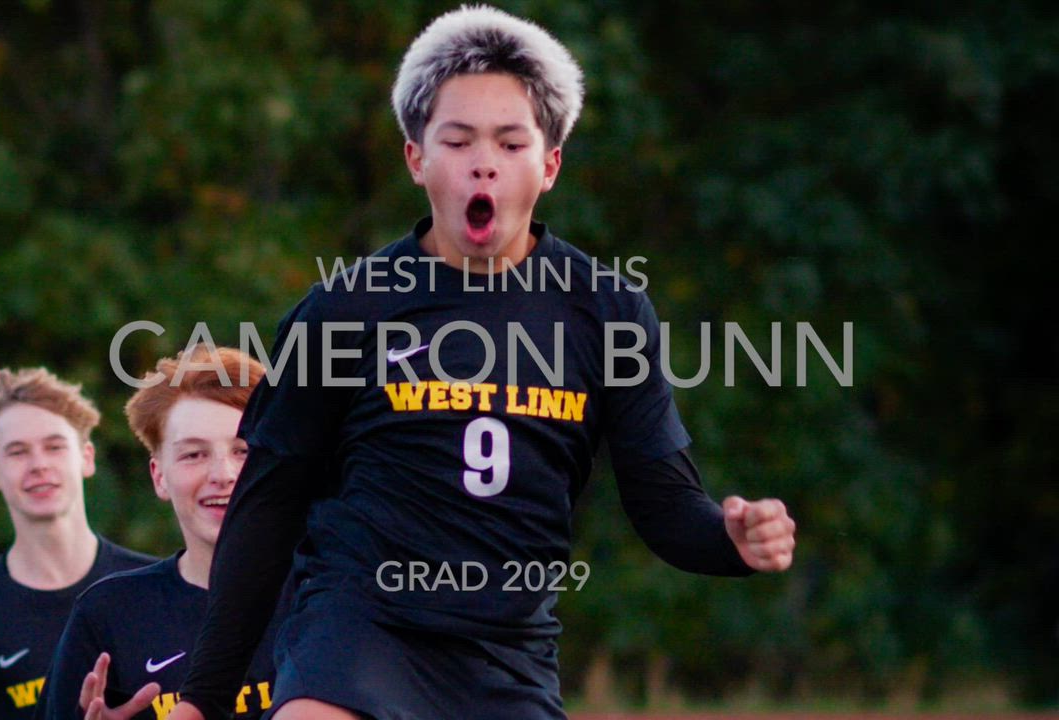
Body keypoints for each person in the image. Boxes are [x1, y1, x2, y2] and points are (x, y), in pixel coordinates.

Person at [170, 6, 797, 719]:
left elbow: (664, 506)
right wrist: (202, 699)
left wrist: (729, 539)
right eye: (458, 138)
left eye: (510, 140)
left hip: (507, 657)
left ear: (549, 165)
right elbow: (267, 508)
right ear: (417, 159)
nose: (484, 160)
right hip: (358, 634)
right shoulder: (345, 311)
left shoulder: (606, 312)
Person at [37, 347, 289, 720]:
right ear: (159, 476)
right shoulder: (109, 613)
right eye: (194, 454)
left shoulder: (333, 592)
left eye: (243, 450)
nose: (223, 474)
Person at [0, 367, 155, 720]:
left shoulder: (156, 589)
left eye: (54, 446)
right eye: (17, 452)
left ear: (86, 457)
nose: (38, 464)